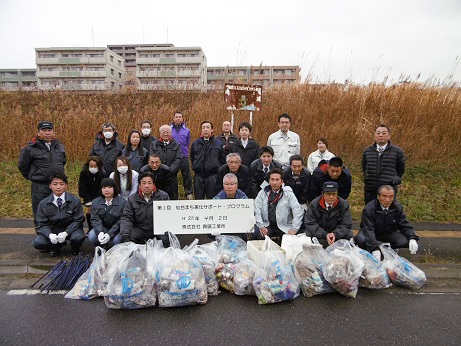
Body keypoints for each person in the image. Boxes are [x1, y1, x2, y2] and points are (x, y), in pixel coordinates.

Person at [18, 121, 66, 222]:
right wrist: (35, 176)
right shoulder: (30, 148)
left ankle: (57, 235)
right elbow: (23, 166)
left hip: (57, 185)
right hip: (40, 186)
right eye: (44, 130)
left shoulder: (59, 146)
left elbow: (63, 162)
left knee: (59, 210)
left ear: (53, 131)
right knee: (40, 211)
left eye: (49, 130)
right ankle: (42, 235)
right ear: (38, 132)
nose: (47, 133)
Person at [355, 185, 419, 261]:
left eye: (391, 197)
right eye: (384, 196)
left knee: (405, 241)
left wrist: (412, 238)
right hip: (372, 231)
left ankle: (388, 248)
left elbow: (404, 224)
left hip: (389, 232)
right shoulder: (369, 208)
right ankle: (373, 248)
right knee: (361, 239)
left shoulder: (397, 207)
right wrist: (374, 249)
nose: (387, 200)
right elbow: (368, 229)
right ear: (378, 196)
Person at [33, 172, 85, 257]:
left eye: (61, 184)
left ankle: (75, 248)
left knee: (78, 237)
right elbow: (41, 224)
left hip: (71, 229)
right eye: (55, 184)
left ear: (66, 186)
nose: (58, 187)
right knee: (38, 243)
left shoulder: (75, 201)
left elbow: (79, 220)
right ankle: (54, 247)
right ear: (50, 186)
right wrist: (49, 234)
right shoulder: (43, 203)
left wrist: (66, 233)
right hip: (53, 230)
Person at [120, 171, 170, 246]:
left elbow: (169, 215)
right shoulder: (132, 199)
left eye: (149, 183)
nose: (147, 186)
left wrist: (167, 231)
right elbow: (127, 217)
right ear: (139, 185)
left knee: (166, 240)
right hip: (140, 228)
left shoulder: (163, 196)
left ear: (153, 184)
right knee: (129, 238)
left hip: (157, 228)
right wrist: (125, 233)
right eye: (144, 183)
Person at [253, 168, 303, 240]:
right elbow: (256, 210)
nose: (274, 182)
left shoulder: (288, 193)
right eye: (272, 180)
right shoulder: (262, 192)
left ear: (282, 181)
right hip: (267, 225)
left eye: (277, 180)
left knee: (290, 239)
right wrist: (261, 226)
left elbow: (297, 210)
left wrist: (294, 228)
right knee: (260, 236)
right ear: (269, 181)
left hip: (284, 225)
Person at [362, 124, 406, 204]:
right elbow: (364, 167)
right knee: (370, 212)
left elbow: (401, 169)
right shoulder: (367, 151)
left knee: (387, 213)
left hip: (388, 190)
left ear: (389, 136)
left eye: (383, 133)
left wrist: (393, 180)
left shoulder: (397, 151)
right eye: (378, 133)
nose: (380, 135)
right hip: (370, 188)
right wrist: (367, 178)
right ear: (374, 135)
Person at [304, 181, 353, 247]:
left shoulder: (344, 205)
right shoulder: (314, 204)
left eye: (334, 194)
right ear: (323, 194)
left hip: (336, 234)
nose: (331, 197)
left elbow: (347, 224)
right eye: (328, 194)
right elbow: (310, 223)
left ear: (337, 194)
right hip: (321, 234)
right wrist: (325, 234)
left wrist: (335, 234)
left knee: (349, 235)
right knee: (309, 235)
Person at [190, 120, 226, 199]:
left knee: (212, 200)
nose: (205, 129)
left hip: (212, 176)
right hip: (198, 176)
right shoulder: (195, 143)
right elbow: (192, 157)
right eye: (203, 128)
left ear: (212, 130)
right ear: (201, 130)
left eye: (208, 127)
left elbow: (222, 159)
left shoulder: (218, 143)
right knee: (198, 200)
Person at [87, 178, 126, 247]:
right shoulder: (95, 202)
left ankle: (116, 251)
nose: (106, 190)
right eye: (104, 188)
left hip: (117, 230)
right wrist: (100, 232)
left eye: (109, 187)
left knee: (116, 240)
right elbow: (95, 219)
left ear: (114, 188)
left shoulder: (123, 202)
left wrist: (109, 234)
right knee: (92, 236)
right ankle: (101, 246)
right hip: (103, 228)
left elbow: (121, 221)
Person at [150, 125, 183, 200]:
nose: (165, 134)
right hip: (157, 176)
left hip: (172, 177)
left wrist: (169, 171)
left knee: (172, 198)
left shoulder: (176, 144)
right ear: (160, 133)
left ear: (171, 133)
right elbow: (152, 158)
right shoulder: (154, 144)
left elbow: (178, 159)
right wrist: (160, 170)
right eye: (163, 132)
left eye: (167, 132)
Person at [170, 111, 193, 199]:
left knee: (186, 174)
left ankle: (188, 192)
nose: (178, 118)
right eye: (176, 117)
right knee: (172, 174)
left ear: (182, 119)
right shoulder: (169, 129)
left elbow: (187, 142)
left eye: (180, 117)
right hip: (172, 155)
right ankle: (173, 194)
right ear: (173, 118)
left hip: (184, 155)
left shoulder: (186, 130)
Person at [78, 155, 105, 229]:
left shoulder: (102, 174)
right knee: (89, 209)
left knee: (98, 210)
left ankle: (100, 227)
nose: (93, 168)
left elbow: (102, 188)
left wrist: (96, 200)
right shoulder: (83, 173)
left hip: (99, 197)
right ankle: (90, 227)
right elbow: (82, 188)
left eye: (95, 166)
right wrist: (88, 200)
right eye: (91, 166)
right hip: (87, 197)